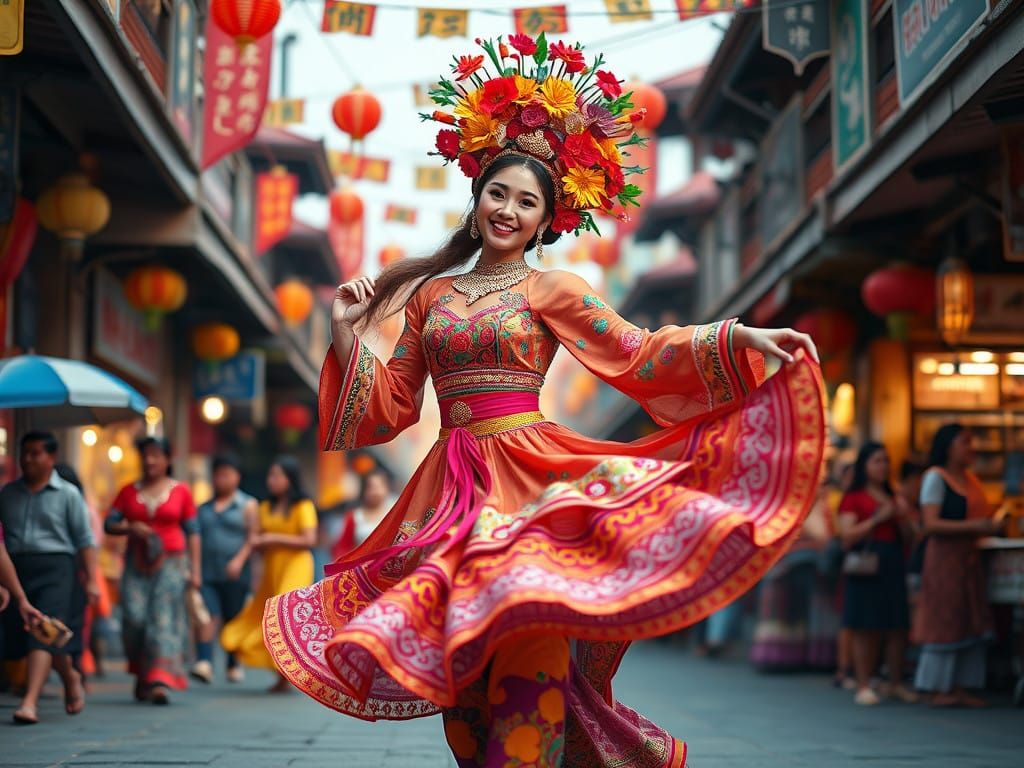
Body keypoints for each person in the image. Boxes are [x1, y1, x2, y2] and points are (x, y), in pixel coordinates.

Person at [262, 34, 824, 766]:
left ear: (544, 219)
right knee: (464, 713)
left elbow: (639, 352)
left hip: (530, 488)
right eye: (498, 192)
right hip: (448, 498)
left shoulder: (553, 288)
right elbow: (393, 402)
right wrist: (345, 335)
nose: (508, 209)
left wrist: (741, 336)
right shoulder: (431, 295)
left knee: (526, 695)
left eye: (527, 201)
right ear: (476, 200)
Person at [0, 432, 98, 724]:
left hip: (57, 567)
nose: (28, 459)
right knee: (22, 633)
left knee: (43, 630)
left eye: (35, 453)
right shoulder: (7, 493)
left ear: (51, 458)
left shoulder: (68, 494)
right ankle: (70, 674)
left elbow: (84, 539)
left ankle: (29, 702)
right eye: (24, 453)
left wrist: (91, 579)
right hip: (16, 567)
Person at [104, 437, 200, 705]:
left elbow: (193, 532)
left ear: (168, 459)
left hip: (172, 562)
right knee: (134, 618)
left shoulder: (181, 492)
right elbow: (109, 524)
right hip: (136, 563)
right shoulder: (127, 492)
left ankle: (160, 679)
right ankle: (142, 672)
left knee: (162, 618)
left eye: (157, 455)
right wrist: (129, 528)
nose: (150, 460)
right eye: (146, 455)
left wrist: (196, 571)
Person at [914, 424, 1000, 707]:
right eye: (965, 442)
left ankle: (962, 685)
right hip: (943, 559)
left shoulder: (970, 480)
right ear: (949, 446)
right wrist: (974, 525)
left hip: (968, 558)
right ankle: (938, 686)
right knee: (944, 618)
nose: (970, 448)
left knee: (968, 616)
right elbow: (930, 523)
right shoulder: (935, 478)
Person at [222, 456, 316, 693]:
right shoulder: (264, 507)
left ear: (290, 479)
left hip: (296, 564)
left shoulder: (302, 505)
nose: (271, 480)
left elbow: (309, 540)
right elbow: (255, 541)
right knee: (267, 617)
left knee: (284, 615)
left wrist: (272, 538)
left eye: (277, 475)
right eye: (270, 475)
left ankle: (294, 671)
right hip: (271, 567)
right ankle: (282, 674)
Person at [838, 442, 916, 706]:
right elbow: (846, 536)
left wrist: (903, 518)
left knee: (896, 624)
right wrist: (877, 519)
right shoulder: (854, 497)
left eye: (885, 461)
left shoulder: (894, 497)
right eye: (877, 461)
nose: (883, 466)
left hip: (893, 561)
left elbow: (910, 538)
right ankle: (863, 683)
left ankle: (894, 682)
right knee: (865, 626)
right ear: (864, 465)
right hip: (866, 564)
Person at [750, 479, 838, 672]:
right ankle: (791, 657)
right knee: (797, 612)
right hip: (796, 563)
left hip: (785, 564)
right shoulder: (806, 506)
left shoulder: (791, 503)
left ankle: (785, 656)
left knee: (791, 614)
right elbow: (822, 536)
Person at [192, 453, 257, 684]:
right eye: (218, 475)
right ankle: (204, 661)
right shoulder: (204, 508)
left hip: (236, 572)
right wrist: (194, 569)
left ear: (237, 477)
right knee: (208, 614)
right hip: (208, 571)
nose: (222, 480)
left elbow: (253, 539)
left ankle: (232, 663)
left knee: (233, 617)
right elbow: (196, 538)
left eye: (226, 475)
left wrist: (239, 561)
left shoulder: (248, 505)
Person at [330, 467, 394, 560]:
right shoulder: (355, 516)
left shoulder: (394, 515)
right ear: (364, 490)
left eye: (379, 487)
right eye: (370, 487)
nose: (375, 492)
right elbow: (342, 547)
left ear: (387, 488)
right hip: (360, 569)